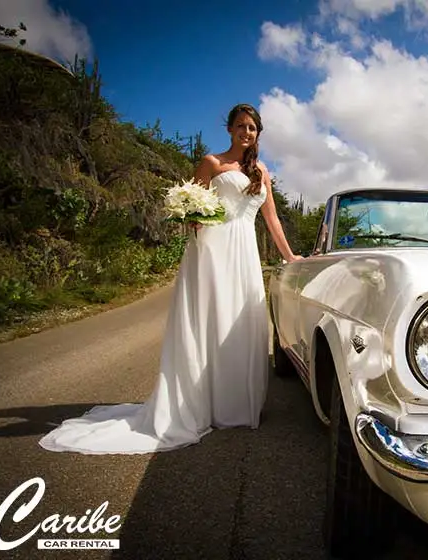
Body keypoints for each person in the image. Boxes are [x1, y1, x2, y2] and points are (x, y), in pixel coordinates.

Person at [38, 103, 301, 454]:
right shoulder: (211, 163)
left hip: (245, 255)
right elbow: (193, 208)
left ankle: (237, 406)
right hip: (211, 253)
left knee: (241, 325)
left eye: (252, 127)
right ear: (230, 129)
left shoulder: (261, 172)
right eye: (240, 125)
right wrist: (192, 216)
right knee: (211, 322)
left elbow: (272, 220)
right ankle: (202, 404)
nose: (246, 132)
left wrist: (290, 256)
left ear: (258, 133)